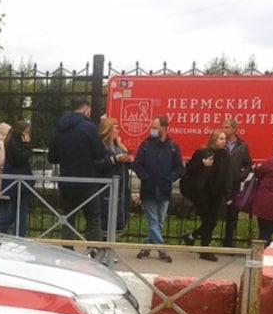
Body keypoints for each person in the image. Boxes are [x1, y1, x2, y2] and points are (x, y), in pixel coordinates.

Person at [48, 99, 126, 253]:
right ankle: (93, 251)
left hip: (66, 181)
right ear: (85, 109)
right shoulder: (88, 127)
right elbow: (99, 153)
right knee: (93, 218)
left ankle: (67, 251)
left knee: (68, 219)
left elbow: (52, 158)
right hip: (87, 181)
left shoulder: (58, 128)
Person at [132, 115, 184, 262]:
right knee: (153, 220)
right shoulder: (146, 144)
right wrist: (145, 177)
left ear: (164, 128)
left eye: (155, 127)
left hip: (164, 189)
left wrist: (169, 178)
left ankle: (146, 247)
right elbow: (137, 164)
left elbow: (179, 168)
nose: (152, 130)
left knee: (159, 221)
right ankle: (162, 251)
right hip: (149, 188)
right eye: (151, 127)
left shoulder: (173, 146)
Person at [180, 129, 232, 261]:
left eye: (224, 138)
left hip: (217, 193)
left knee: (213, 221)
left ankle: (192, 236)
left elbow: (226, 175)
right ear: (214, 140)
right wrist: (202, 164)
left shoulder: (225, 155)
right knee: (208, 219)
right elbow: (189, 169)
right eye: (220, 138)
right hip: (203, 193)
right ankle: (205, 249)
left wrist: (228, 194)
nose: (223, 141)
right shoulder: (203, 152)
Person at [0, 120, 33, 237]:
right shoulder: (13, 142)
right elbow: (18, 159)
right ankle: (18, 235)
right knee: (20, 212)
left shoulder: (12, 141)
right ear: (22, 132)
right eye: (27, 132)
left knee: (15, 212)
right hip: (18, 181)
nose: (28, 135)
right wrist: (27, 145)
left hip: (16, 181)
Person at [96, 118, 132, 238]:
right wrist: (114, 159)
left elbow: (124, 157)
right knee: (105, 221)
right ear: (109, 130)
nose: (118, 131)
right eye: (116, 128)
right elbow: (98, 164)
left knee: (117, 222)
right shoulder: (101, 146)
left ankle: (108, 252)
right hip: (106, 189)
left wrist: (127, 157)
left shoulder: (117, 146)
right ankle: (99, 251)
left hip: (120, 190)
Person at [221, 118, 253, 247]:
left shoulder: (242, 146)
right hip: (220, 182)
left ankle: (228, 243)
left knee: (232, 215)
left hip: (234, 184)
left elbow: (248, 164)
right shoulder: (220, 142)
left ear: (234, 129)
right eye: (223, 126)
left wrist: (241, 176)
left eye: (227, 127)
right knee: (211, 214)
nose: (224, 129)